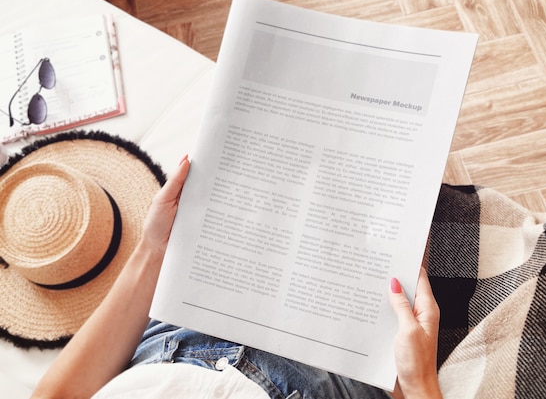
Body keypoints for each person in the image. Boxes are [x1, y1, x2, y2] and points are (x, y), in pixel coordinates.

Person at [30, 155, 442, 399]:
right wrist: (419, 384)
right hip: (318, 378)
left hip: (173, 339)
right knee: (404, 187)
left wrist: (154, 250)